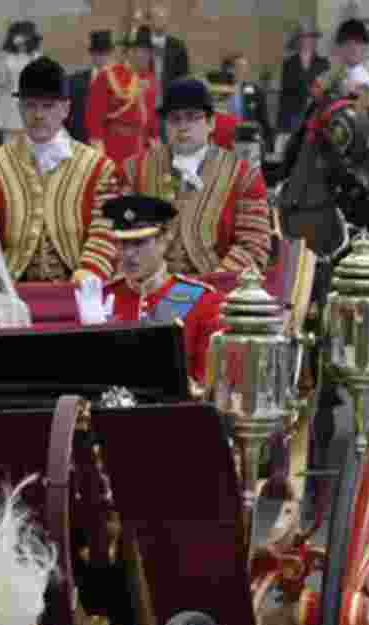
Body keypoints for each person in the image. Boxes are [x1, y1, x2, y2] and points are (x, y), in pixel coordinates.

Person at [0, 56, 121, 284]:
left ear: (66, 109)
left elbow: (104, 230)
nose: (39, 115)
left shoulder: (98, 167)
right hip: (11, 291)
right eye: (31, 105)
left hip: (77, 289)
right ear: (19, 108)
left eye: (48, 106)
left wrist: (89, 271)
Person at [123, 78, 272, 277]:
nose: (183, 127)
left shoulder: (243, 175)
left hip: (214, 292)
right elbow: (120, 233)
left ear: (210, 123)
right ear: (165, 125)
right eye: (174, 119)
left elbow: (254, 245)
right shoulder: (135, 169)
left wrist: (214, 284)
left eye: (192, 117)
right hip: (148, 290)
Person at [97, 194, 223, 393]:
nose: (129, 254)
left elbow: (207, 388)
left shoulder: (202, 300)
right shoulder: (101, 298)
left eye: (139, 243)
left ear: (164, 241)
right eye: (122, 244)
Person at [85, 27, 158, 173]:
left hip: (141, 152)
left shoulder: (151, 81)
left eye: (147, 51)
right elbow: (94, 120)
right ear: (128, 52)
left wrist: (155, 151)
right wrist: (101, 159)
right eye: (138, 50)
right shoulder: (107, 76)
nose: (144, 56)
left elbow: (152, 121)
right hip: (114, 151)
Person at [0, 21, 43, 145]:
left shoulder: (35, 57)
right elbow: (1, 81)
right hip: (11, 104)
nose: (21, 41)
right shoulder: (6, 57)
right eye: (19, 36)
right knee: (10, 144)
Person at [278, 18, 330, 132]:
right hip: (294, 116)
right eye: (303, 37)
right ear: (297, 40)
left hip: (316, 115)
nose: (306, 40)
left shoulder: (323, 63)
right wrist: (281, 123)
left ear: (314, 40)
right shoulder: (289, 64)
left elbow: (327, 92)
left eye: (309, 37)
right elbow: (285, 96)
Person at [68, 31, 114, 145]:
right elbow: (67, 114)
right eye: (97, 53)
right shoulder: (75, 81)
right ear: (91, 54)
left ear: (110, 54)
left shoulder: (120, 81)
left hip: (111, 144)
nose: (101, 57)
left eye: (104, 53)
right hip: (83, 143)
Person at [145, 5, 191, 109]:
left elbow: (184, 76)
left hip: (169, 101)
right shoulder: (141, 44)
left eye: (163, 18)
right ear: (149, 21)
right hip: (145, 101)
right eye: (157, 18)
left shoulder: (178, 46)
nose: (161, 21)